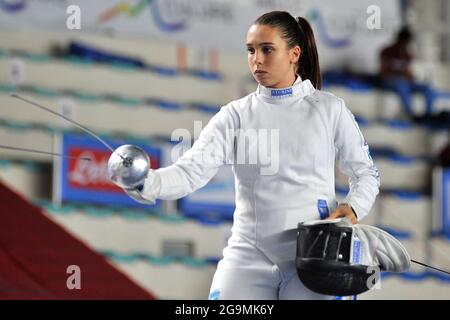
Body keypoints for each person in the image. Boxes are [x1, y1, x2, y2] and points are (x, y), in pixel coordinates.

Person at [114, 11, 380, 299]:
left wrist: (352, 207)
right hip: (249, 254)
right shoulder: (235, 116)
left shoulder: (329, 109)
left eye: (267, 50)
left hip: (316, 254)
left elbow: (366, 173)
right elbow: (191, 171)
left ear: (294, 53)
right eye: (251, 50)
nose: (257, 59)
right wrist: (145, 181)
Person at [378, 26, 435, 116]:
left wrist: (410, 76)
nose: (405, 44)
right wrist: (399, 74)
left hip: (404, 81)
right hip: (389, 82)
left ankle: (429, 115)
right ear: (399, 39)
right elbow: (382, 72)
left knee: (428, 88)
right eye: (404, 41)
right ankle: (410, 115)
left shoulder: (407, 54)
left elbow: (408, 71)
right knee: (401, 84)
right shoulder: (386, 51)